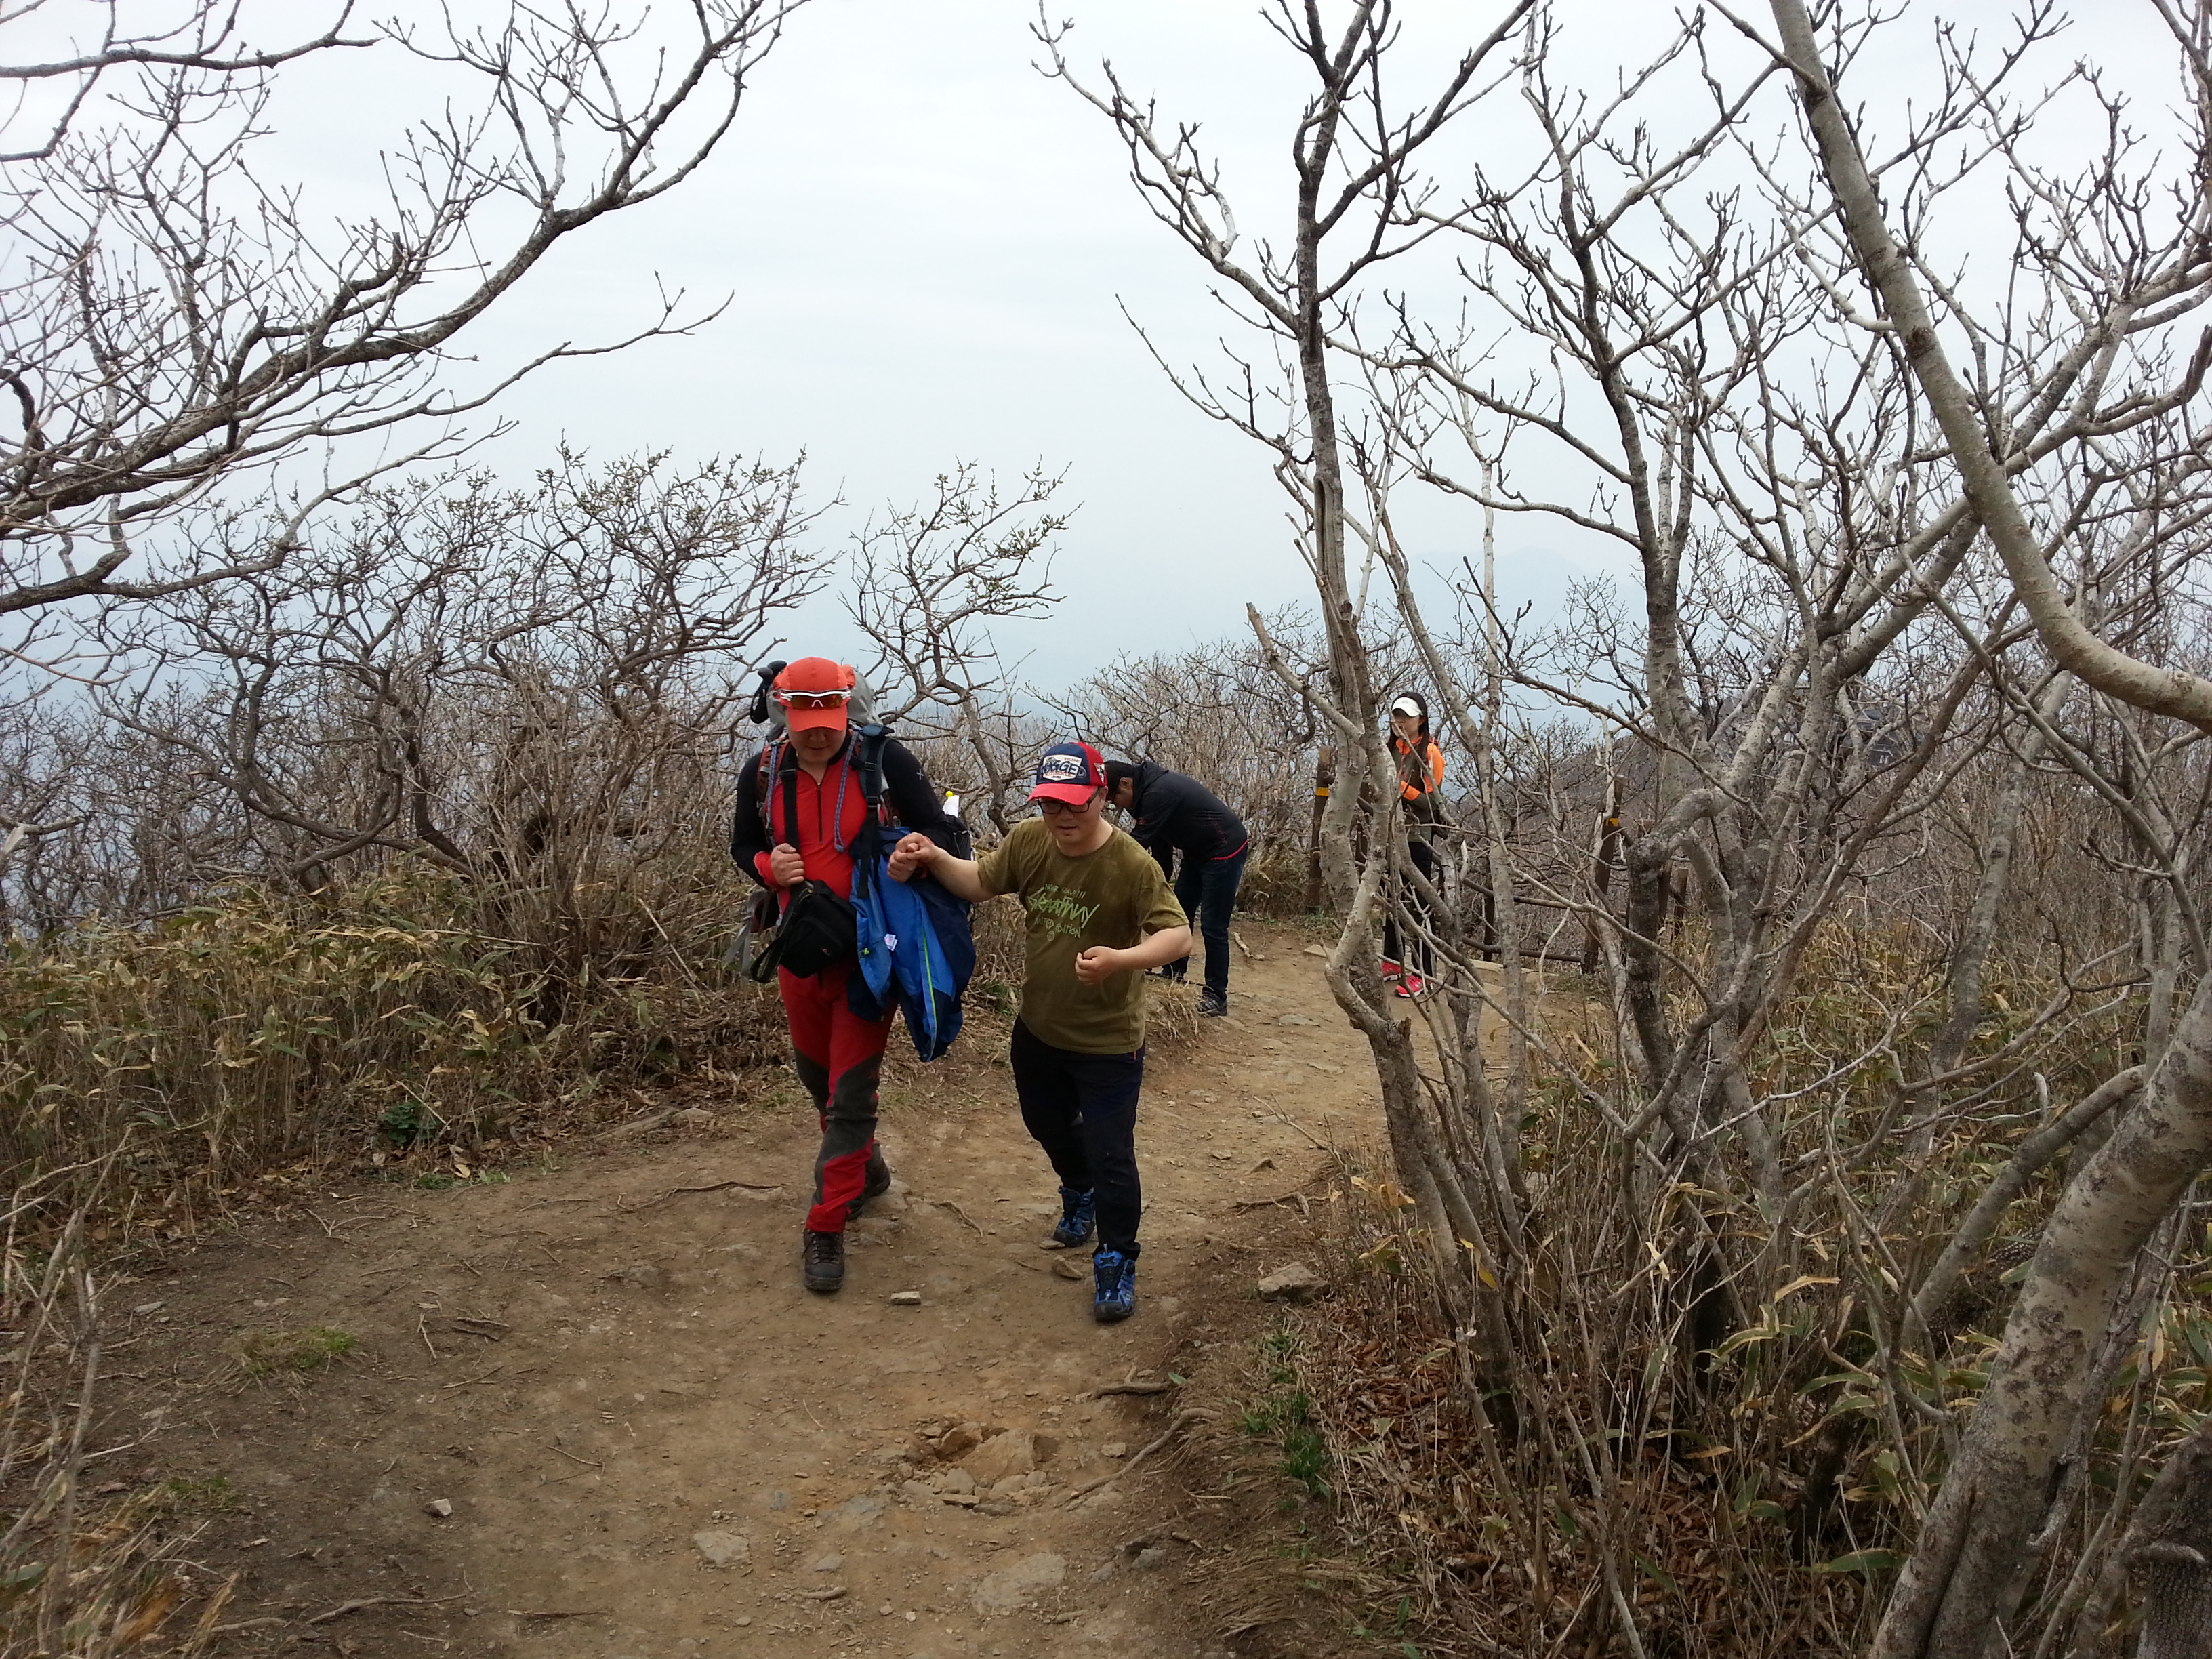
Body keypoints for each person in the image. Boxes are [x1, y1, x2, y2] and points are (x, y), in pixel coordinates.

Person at [888, 741, 1191, 1323]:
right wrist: (930, 856)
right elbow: (979, 881)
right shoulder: (1030, 840)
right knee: (1045, 1123)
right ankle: (1076, 1192)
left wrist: (1121, 960)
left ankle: (1117, 1258)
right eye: (1051, 804)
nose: (1063, 817)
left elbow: (1176, 938)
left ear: (1103, 798)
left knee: (1113, 1154)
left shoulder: (1131, 863)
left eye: (1076, 804)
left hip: (1108, 1041)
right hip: (1039, 1027)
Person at [729, 657, 966, 1295]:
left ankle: (826, 1222)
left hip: (871, 955)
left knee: (851, 1092)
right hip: (800, 953)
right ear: (784, 712)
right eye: (805, 719)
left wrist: (918, 851)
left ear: (846, 708)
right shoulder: (764, 771)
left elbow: (945, 829)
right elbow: (741, 847)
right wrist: (766, 867)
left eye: (828, 718)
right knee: (818, 1079)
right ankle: (868, 1171)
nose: (817, 733)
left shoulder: (886, 762)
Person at [1103, 759, 1248, 1017]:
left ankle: (1216, 995)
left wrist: (1101, 867)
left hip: (1225, 849)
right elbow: (1160, 846)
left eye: (1114, 799)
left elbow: (1138, 843)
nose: (1115, 805)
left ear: (1126, 784)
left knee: (1214, 926)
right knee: (1179, 914)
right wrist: (1161, 883)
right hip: (1197, 851)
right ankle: (1173, 972)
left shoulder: (1159, 792)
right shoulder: (1143, 794)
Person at [1382, 692, 1446, 998]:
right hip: (1390, 835)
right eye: (1396, 715)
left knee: (1419, 908)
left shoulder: (1430, 754)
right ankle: (1393, 962)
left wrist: (1402, 789)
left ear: (1421, 719)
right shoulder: (1390, 749)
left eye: (1406, 716)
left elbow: (1434, 806)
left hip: (1417, 839)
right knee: (1391, 901)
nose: (1400, 722)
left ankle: (1425, 974)